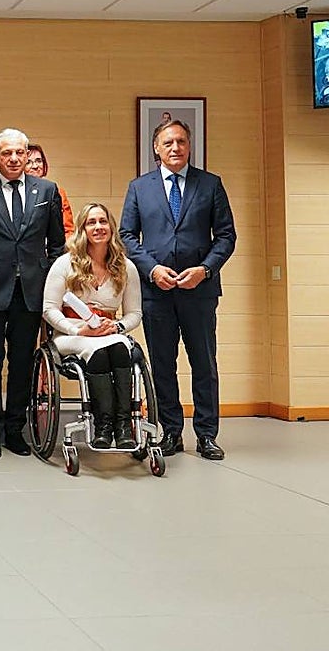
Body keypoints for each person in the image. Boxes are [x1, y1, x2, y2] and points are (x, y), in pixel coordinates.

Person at [120, 119, 236, 459]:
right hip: (156, 291)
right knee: (162, 364)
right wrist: (152, 269)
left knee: (204, 363)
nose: (175, 147)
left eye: (181, 141)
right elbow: (127, 236)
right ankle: (170, 431)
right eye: (168, 142)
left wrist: (206, 269)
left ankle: (207, 435)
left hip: (199, 291)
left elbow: (226, 236)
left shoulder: (210, 184)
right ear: (156, 148)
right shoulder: (139, 188)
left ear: (189, 146)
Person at [0, 128, 65, 459]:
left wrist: (49, 282)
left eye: (20, 152)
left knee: (22, 362)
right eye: (7, 153)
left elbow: (57, 244)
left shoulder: (46, 190)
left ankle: (15, 430)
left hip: (31, 290)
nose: (14, 158)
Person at [43, 203, 142, 450]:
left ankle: (123, 425)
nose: (98, 227)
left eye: (103, 221)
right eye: (91, 222)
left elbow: (135, 314)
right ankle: (103, 426)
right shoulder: (65, 264)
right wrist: (78, 330)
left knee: (120, 348)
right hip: (71, 333)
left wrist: (117, 326)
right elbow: (49, 309)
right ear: (82, 229)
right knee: (98, 351)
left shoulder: (126, 267)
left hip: (109, 333)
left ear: (111, 227)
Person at [26, 143, 75, 236]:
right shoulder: (15, 192)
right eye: (28, 162)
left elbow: (68, 229)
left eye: (39, 161)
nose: (35, 166)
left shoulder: (56, 192)